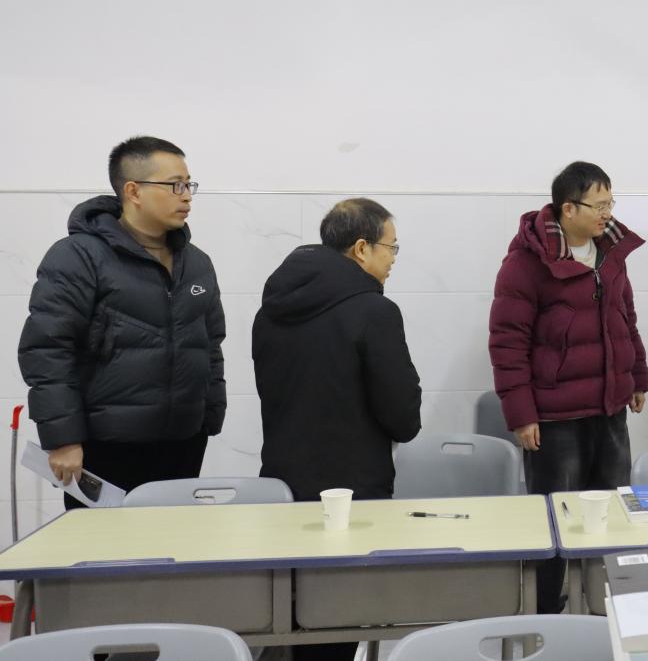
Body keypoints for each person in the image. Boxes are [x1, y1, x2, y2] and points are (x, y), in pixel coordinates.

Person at [253, 197, 421, 661]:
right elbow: (403, 418)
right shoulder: (374, 311)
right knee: (335, 625)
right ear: (362, 248)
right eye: (391, 248)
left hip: (282, 487)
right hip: (351, 497)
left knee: (288, 622)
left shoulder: (271, 311)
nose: (393, 260)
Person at [18, 136, 225, 508]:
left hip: (183, 443)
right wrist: (63, 439)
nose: (186, 197)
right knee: (103, 545)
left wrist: (210, 416)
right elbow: (47, 349)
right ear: (133, 191)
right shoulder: (79, 256)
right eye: (175, 185)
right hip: (105, 447)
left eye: (188, 185)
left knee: (174, 541)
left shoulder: (197, 262)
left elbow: (210, 344)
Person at [489, 161, 648, 612]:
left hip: (609, 409)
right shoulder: (526, 263)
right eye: (599, 205)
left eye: (610, 203)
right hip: (555, 418)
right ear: (568, 209)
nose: (607, 214)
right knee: (555, 521)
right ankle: (546, 614)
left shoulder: (611, 254)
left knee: (612, 514)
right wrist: (521, 414)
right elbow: (507, 342)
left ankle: (609, 606)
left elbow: (626, 319)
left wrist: (637, 376)